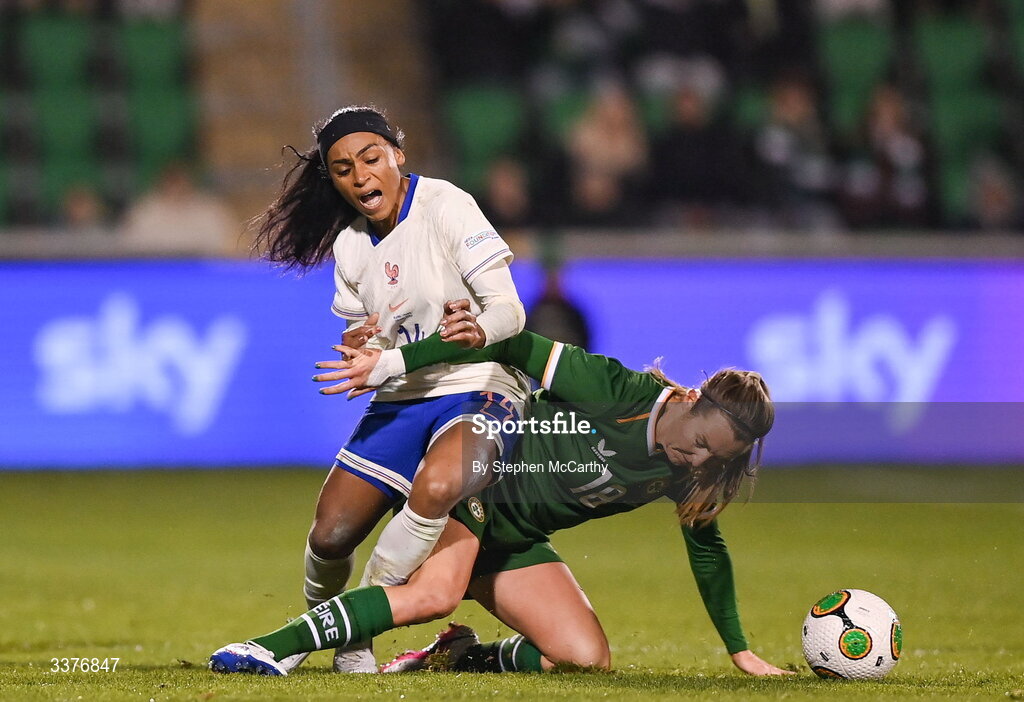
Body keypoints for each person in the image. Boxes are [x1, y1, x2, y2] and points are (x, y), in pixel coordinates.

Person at [209, 315, 791, 677]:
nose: (699, 460)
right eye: (701, 443)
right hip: (478, 485)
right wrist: (392, 363)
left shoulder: (690, 472)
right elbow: (505, 343)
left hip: (513, 538)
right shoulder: (613, 390)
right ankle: (270, 647)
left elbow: (708, 552)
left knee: (585, 659)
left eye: (718, 457)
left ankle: (461, 656)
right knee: (434, 593)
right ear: (692, 399)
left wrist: (739, 650)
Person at [250, 106, 530, 672]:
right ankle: (332, 635)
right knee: (330, 536)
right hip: (403, 394)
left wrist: (479, 326)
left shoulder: (446, 205)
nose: (361, 176)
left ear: (397, 154)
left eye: (372, 159)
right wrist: (362, 345)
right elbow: (362, 327)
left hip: (480, 384)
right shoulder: (350, 244)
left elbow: (511, 310)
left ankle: (357, 627)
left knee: (442, 481)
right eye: (344, 168)